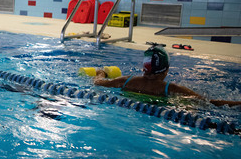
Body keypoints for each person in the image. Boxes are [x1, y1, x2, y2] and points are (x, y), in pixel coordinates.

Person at [93, 45, 241, 107]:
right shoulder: (171, 88)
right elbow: (210, 102)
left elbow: (98, 82)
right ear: (166, 71)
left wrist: (101, 72)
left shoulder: (126, 81)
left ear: (144, 67)